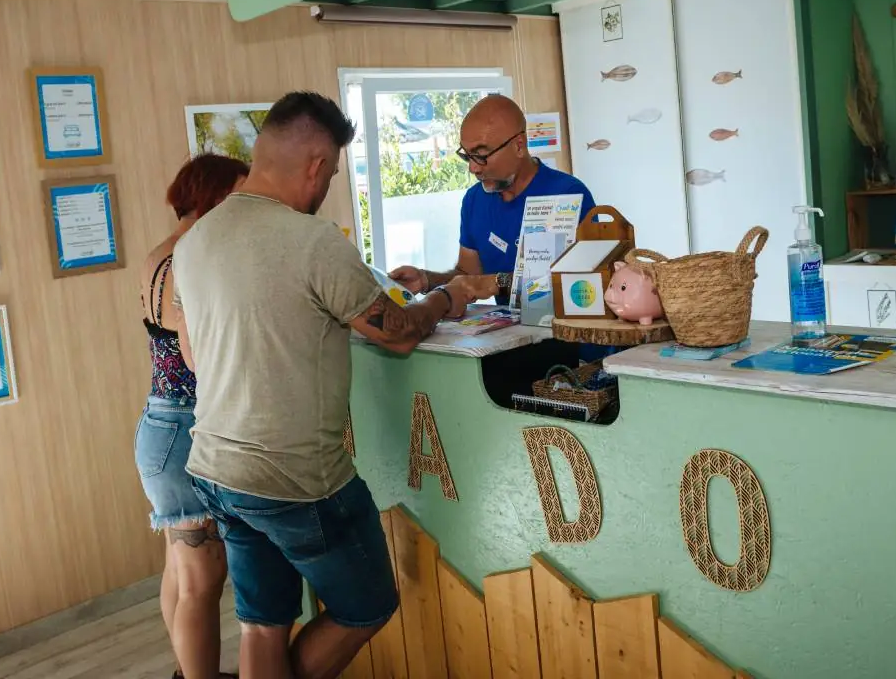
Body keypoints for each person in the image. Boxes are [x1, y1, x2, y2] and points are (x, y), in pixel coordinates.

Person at [171, 91, 493, 679]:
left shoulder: (195, 241)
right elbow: (395, 332)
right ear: (316, 165)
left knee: (263, 621)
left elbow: (197, 352)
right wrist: (446, 297)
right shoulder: (313, 241)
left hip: (217, 466)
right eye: (334, 173)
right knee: (367, 604)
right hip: (298, 478)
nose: (327, 190)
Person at [134, 154, 249, 679]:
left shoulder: (158, 255)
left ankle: (188, 671)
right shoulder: (190, 258)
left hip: (161, 423)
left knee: (182, 575)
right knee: (204, 578)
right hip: (184, 429)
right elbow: (196, 350)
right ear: (215, 197)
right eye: (239, 197)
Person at [390, 93, 596, 305]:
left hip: (564, 335)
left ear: (518, 145)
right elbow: (469, 277)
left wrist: (499, 282)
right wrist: (426, 280)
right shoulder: (474, 200)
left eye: (481, 155)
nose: (473, 167)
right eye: (467, 155)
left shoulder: (568, 195)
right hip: (512, 336)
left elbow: (585, 285)